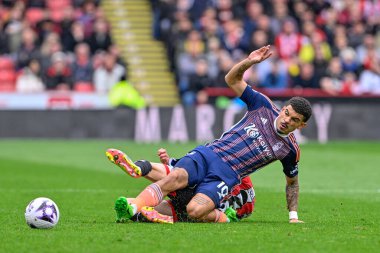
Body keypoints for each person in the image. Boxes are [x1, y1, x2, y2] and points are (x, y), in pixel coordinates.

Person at [112, 45, 312, 224]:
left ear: (301, 125)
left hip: (227, 176)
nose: (287, 120)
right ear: (284, 108)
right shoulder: (263, 106)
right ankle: (136, 205)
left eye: (294, 120)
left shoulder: (290, 150)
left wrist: (293, 216)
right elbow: (231, 79)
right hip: (210, 154)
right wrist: (248, 62)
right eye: (287, 113)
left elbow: (292, 183)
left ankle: (218, 216)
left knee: (194, 209)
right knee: (175, 178)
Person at [106, 148, 255, 224]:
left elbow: (194, 170)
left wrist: (169, 162)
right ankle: (134, 209)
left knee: (175, 177)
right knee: (175, 193)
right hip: (201, 207)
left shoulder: (229, 171)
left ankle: (142, 168)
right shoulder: (237, 175)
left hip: (202, 203)